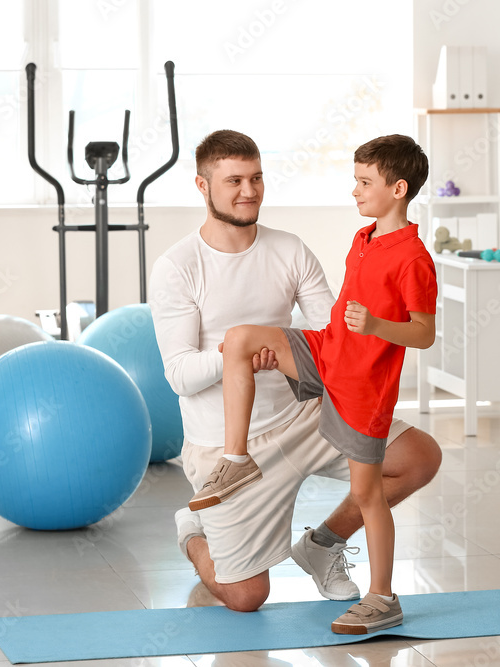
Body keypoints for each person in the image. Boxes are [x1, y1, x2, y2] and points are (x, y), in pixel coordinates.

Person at [147, 129, 441, 616]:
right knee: (246, 597)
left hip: (305, 411)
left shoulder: (289, 248)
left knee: (419, 457)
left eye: (257, 178)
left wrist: (378, 330)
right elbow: (179, 375)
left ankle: (323, 543)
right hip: (229, 446)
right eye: (234, 180)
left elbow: (334, 330)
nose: (249, 191)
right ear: (202, 187)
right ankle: (194, 531)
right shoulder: (178, 266)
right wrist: (241, 354)